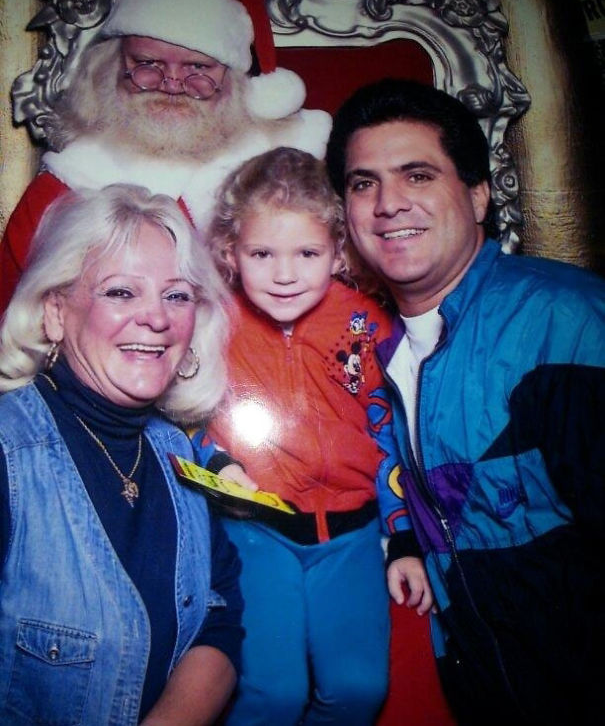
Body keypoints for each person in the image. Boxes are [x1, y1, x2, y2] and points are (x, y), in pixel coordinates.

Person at [325, 77, 605, 725]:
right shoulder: (371, 353)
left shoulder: (567, 324)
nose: (388, 204)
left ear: (478, 194)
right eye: (363, 183)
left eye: (417, 175)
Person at [187, 146, 433, 725]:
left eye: (307, 252)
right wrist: (218, 463)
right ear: (231, 251)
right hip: (256, 531)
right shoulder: (212, 322)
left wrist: (403, 540)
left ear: (337, 251)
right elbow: (181, 415)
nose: (285, 274)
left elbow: (396, 437)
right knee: (272, 694)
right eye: (262, 253)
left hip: (351, 535)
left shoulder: (367, 325)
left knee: (358, 689)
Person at [0, 183, 245, 725]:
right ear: (55, 312)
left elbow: (219, 618)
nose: (156, 319)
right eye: (120, 292)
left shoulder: (176, 451)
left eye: (176, 295)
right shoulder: (7, 451)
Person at [0, 0, 331, 315]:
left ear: (233, 79)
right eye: (148, 63)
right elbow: (13, 320)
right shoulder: (66, 182)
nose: (172, 85)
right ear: (112, 68)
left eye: (198, 68)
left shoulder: (286, 173)